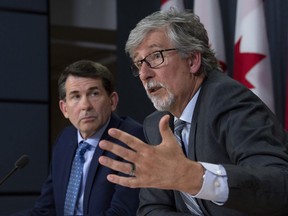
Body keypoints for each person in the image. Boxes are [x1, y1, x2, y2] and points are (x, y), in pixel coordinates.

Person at [98, 9, 288, 216]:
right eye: (139, 63)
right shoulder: (157, 124)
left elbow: (279, 186)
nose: (144, 74)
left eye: (155, 56)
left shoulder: (227, 99)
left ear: (192, 61)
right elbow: (151, 209)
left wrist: (197, 178)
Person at [14, 60, 145, 215]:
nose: (85, 105)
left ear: (112, 101)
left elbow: (122, 212)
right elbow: (46, 210)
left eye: (94, 93)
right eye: (76, 96)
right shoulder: (65, 140)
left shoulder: (130, 138)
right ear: (64, 109)